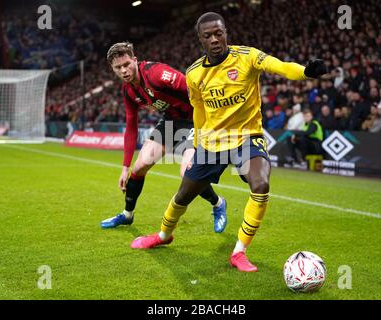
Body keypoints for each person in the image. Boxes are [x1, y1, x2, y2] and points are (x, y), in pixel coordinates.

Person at [129, 12, 328, 272]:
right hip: (211, 143)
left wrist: (305, 72)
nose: (215, 39)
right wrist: (198, 143)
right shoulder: (194, 74)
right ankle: (163, 236)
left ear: (226, 32)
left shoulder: (247, 57)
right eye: (208, 35)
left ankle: (239, 252)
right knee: (184, 195)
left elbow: (279, 66)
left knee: (261, 183)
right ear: (200, 40)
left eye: (219, 33)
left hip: (247, 137)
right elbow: (198, 111)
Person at [100, 42, 228, 233]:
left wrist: (216, 118)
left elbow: (193, 88)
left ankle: (218, 204)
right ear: (113, 69)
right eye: (118, 67)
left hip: (195, 119)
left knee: (187, 172)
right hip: (171, 121)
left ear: (134, 60)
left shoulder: (157, 74)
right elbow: (131, 126)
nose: (124, 70)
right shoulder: (128, 90)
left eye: (126, 64)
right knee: (140, 166)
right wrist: (125, 167)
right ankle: (127, 215)